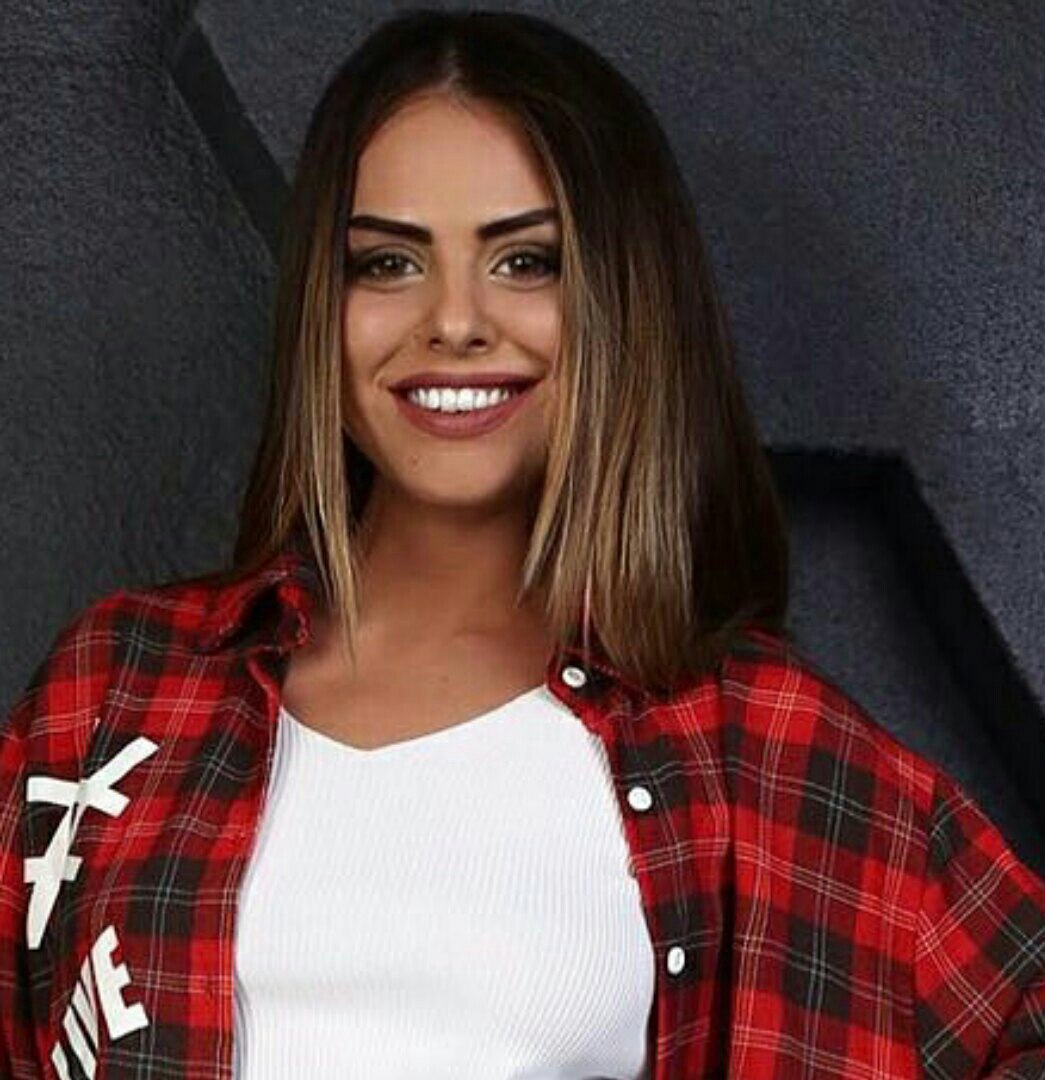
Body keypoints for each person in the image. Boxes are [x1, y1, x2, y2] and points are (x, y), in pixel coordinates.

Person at [1, 9, 1042, 1079]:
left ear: (621, 301)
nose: (454, 321)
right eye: (388, 262)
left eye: (525, 261)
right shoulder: (118, 686)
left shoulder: (755, 742)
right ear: (323, 304)